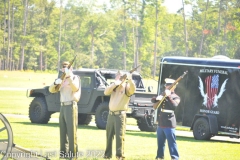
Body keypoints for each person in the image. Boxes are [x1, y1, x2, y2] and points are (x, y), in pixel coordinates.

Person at [49, 61, 81, 159]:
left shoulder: (75, 78)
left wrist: (69, 76)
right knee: (62, 133)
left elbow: (75, 88)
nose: (64, 68)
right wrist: (56, 82)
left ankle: (73, 155)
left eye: (66, 67)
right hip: (63, 106)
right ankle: (63, 154)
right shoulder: (61, 78)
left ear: (71, 69)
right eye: (63, 67)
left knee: (71, 133)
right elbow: (51, 90)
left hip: (71, 105)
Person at [103, 70, 136, 160]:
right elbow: (106, 92)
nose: (119, 77)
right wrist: (115, 83)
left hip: (120, 115)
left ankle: (119, 155)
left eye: (121, 76)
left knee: (119, 136)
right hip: (111, 114)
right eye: (118, 76)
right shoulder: (114, 86)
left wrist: (130, 80)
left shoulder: (126, 87)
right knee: (109, 135)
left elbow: (133, 90)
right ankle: (107, 154)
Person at [152, 78, 180, 160]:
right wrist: (158, 98)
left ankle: (175, 157)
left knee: (172, 142)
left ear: (173, 87)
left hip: (169, 122)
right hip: (161, 122)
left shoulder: (175, 97)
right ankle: (159, 156)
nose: (167, 87)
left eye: (169, 85)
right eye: (166, 85)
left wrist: (168, 96)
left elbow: (174, 106)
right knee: (160, 142)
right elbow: (153, 100)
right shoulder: (163, 94)